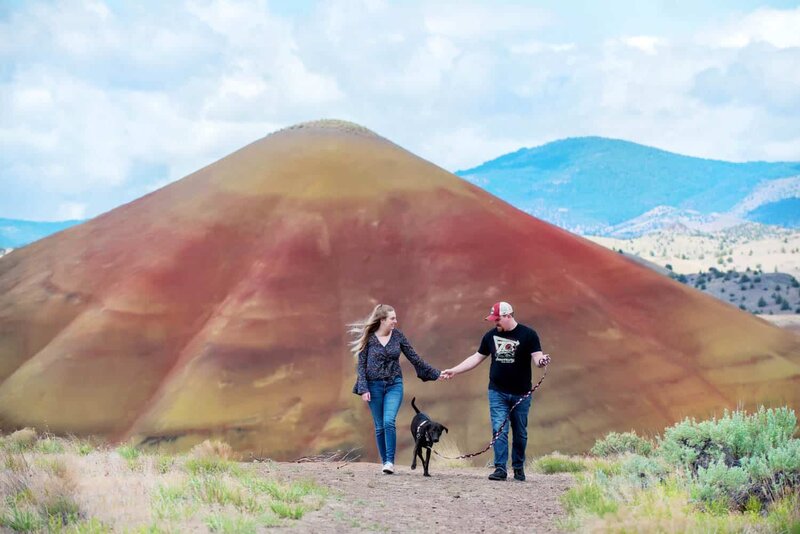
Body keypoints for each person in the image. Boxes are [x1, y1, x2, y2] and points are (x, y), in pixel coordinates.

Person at [440, 301, 549, 482]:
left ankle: (518, 467)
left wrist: (543, 361)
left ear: (508, 316)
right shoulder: (490, 336)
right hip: (497, 391)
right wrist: (454, 370)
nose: (495, 323)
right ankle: (500, 468)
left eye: (497, 320)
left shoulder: (529, 334)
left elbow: (537, 358)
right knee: (500, 430)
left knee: (520, 432)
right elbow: (476, 357)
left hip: (521, 394)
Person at [350, 304, 442, 474]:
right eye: (392, 318)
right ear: (382, 320)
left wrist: (437, 373)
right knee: (379, 426)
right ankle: (385, 461)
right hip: (373, 386)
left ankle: (390, 462)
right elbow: (361, 366)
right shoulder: (369, 338)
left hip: (394, 384)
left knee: (388, 421)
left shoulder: (398, 336)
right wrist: (363, 388)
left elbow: (415, 358)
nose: (395, 321)